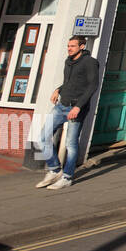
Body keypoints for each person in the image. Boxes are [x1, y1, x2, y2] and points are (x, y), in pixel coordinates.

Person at [35, 36, 101, 190]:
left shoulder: (90, 62)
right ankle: (55, 170)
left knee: (71, 144)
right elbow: (70, 82)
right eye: (68, 46)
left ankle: (67, 177)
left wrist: (78, 107)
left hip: (76, 108)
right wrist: (58, 89)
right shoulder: (68, 61)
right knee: (42, 138)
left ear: (82, 46)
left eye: (72, 46)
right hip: (61, 106)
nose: (69, 48)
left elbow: (92, 85)